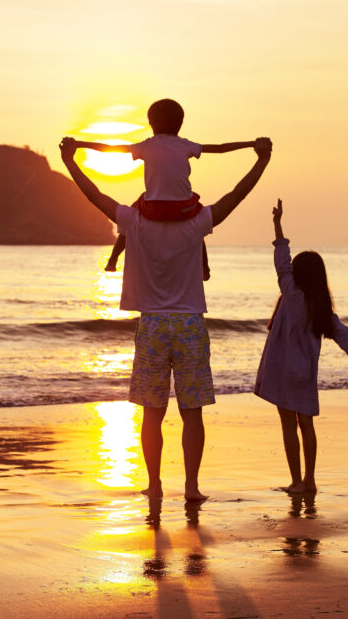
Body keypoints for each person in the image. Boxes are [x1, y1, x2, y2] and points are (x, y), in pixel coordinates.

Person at [59, 134, 273, 501]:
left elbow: (94, 195)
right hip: (190, 324)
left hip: (154, 324)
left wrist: (70, 161)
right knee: (192, 413)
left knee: (152, 414)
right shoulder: (197, 222)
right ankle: (191, 488)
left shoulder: (134, 220)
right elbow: (237, 194)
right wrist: (261, 160)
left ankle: (155, 485)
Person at [254, 199, 348, 494]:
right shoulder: (321, 308)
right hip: (305, 374)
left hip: (282, 371)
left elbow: (281, 262)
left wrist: (278, 224)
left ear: (298, 276)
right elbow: (344, 335)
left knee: (288, 427)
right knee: (306, 426)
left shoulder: (291, 294)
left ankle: (296, 481)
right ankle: (310, 480)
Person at [70, 98, 256, 278]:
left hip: (153, 206)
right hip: (184, 207)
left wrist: (80, 144)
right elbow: (221, 148)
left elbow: (111, 148)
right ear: (180, 123)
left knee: (127, 224)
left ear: (151, 123)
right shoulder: (185, 145)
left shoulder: (146, 145)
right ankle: (205, 269)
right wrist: (252, 144)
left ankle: (112, 260)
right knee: (199, 228)